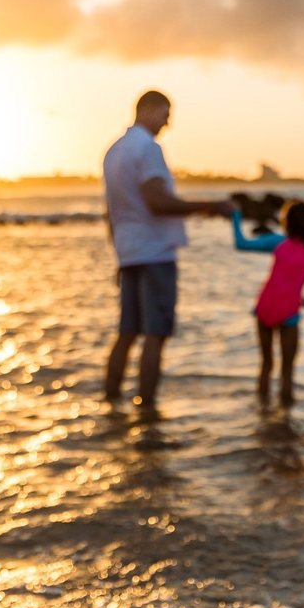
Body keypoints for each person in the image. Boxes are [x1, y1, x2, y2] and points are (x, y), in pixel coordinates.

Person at [102, 90, 234, 412]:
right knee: (155, 334)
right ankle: (147, 411)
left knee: (127, 332)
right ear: (148, 109)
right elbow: (157, 201)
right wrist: (210, 206)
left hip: (129, 250)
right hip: (155, 252)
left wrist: (118, 255)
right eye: (165, 114)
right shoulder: (148, 148)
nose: (168, 123)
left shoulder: (114, 151)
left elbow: (111, 211)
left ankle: (110, 403)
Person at [232, 201, 304, 406]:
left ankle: (263, 410)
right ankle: (285, 419)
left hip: (265, 306)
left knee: (266, 364)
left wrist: (235, 215)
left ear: (288, 223)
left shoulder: (278, 242)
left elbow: (241, 244)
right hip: (289, 312)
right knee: (287, 369)